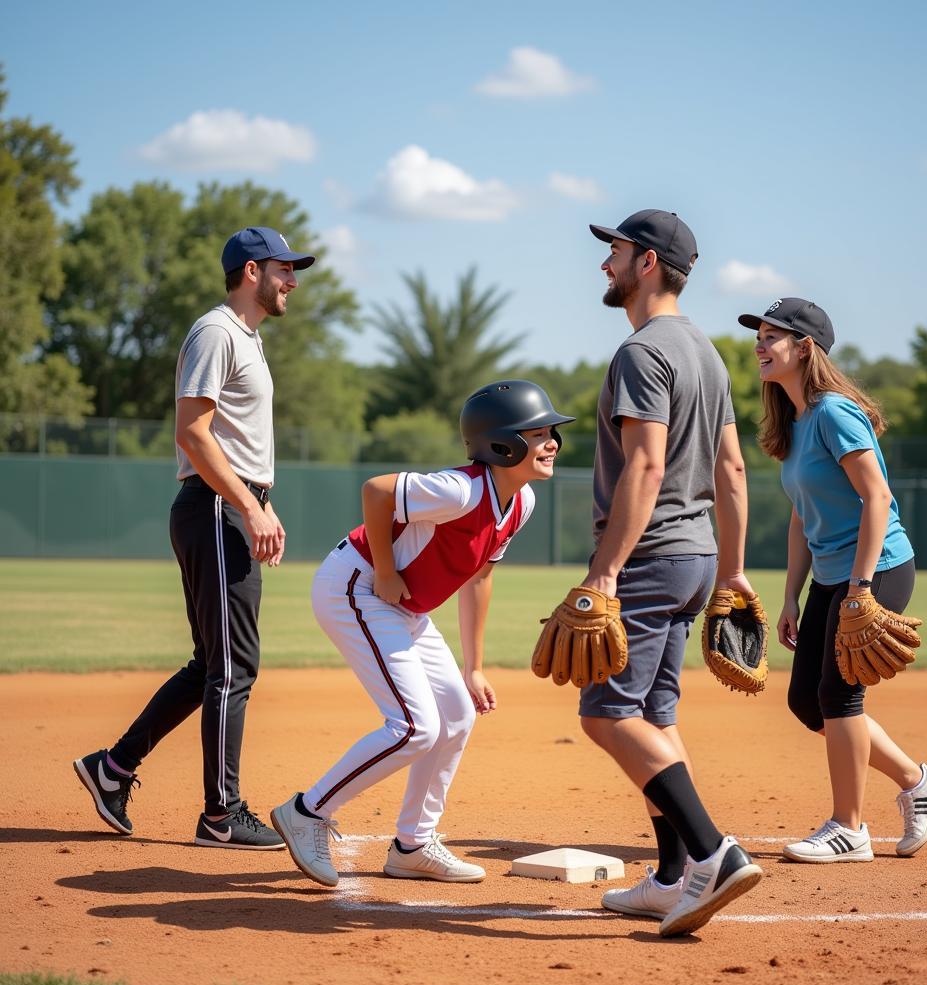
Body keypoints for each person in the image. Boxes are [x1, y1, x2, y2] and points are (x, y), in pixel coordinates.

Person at [270, 380, 574, 888]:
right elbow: (378, 490)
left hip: (403, 609)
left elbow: (480, 577)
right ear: (502, 444)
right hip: (358, 587)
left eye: (551, 434)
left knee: (455, 714)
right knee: (414, 727)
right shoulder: (463, 489)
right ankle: (307, 812)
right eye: (538, 433)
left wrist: (472, 666)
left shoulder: (521, 504)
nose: (552, 444)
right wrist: (386, 569)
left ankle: (413, 845)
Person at [73, 226, 315, 849]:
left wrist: (265, 504)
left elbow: (234, 441)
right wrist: (247, 507)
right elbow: (193, 432)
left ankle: (112, 769)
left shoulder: (249, 341)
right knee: (234, 664)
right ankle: (221, 815)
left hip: (228, 506)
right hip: (214, 508)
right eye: (284, 268)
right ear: (251, 271)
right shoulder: (217, 331)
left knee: (213, 662)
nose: (293, 280)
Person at [580, 210, 763, 937]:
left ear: (648, 262)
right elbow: (733, 470)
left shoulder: (643, 352)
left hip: (651, 556)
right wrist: (735, 571)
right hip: (695, 558)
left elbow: (647, 465)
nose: (605, 264)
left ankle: (712, 852)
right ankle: (668, 876)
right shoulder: (709, 354)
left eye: (616, 252)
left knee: (606, 715)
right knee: (655, 715)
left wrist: (605, 571)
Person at [739, 297, 927, 863]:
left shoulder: (833, 412)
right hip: (831, 576)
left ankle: (849, 827)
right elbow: (800, 515)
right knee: (808, 704)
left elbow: (877, 496)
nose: (759, 346)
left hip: (877, 568)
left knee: (839, 694)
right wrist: (791, 593)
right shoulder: (795, 421)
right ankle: (918, 780)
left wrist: (860, 587)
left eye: (771, 337)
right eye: (758, 336)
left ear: (804, 347)